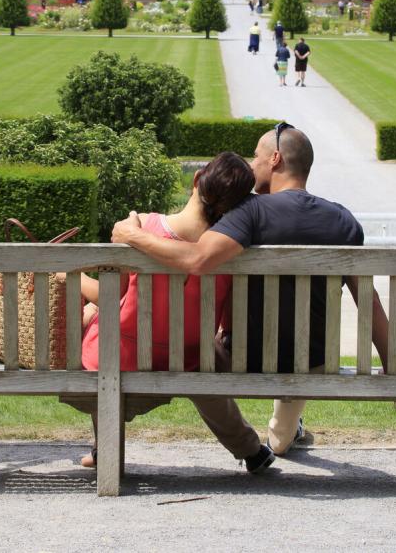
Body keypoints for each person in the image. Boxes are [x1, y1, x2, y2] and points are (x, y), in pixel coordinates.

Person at [111, 123, 389, 461]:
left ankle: (252, 447)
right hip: (318, 362)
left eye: (255, 157)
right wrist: (394, 363)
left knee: (197, 347)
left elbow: (197, 258)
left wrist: (133, 234)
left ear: (274, 159)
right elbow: (368, 300)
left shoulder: (249, 212)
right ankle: (284, 433)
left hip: (246, 360)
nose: (251, 165)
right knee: (297, 340)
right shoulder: (343, 221)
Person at [63, 153, 271, 473]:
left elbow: (113, 295)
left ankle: (105, 449)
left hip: (125, 357)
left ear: (197, 180)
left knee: (97, 321)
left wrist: (69, 279)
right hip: (187, 358)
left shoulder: (144, 227)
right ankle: (250, 449)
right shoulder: (228, 253)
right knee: (205, 357)